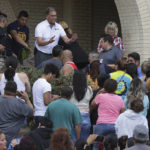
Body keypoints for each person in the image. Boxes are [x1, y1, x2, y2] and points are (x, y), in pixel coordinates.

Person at [91, 79, 124, 150]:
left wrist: (98, 93)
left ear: (105, 87)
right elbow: (122, 113)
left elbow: (92, 105)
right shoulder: (120, 99)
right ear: (115, 88)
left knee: (96, 146)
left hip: (101, 124)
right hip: (115, 125)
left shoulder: (101, 96)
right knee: (114, 146)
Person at [70, 71, 93, 140]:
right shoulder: (89, 89)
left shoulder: (70, 89)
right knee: (84, 144)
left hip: (73, 117)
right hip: (85, 117)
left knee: (73, 142)